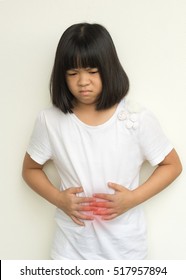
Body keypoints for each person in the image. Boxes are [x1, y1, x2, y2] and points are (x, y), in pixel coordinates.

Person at [22, 23, 182, 260]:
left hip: (126, 250)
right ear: (62, 75)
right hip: (70, 250)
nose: (83, 81)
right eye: (73, 73)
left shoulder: (137, 118)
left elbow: (173, 165)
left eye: (92, 71)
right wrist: (59, 199)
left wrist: (133, 198)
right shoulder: (50, 121)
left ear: (108, 68)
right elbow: (30, 169)